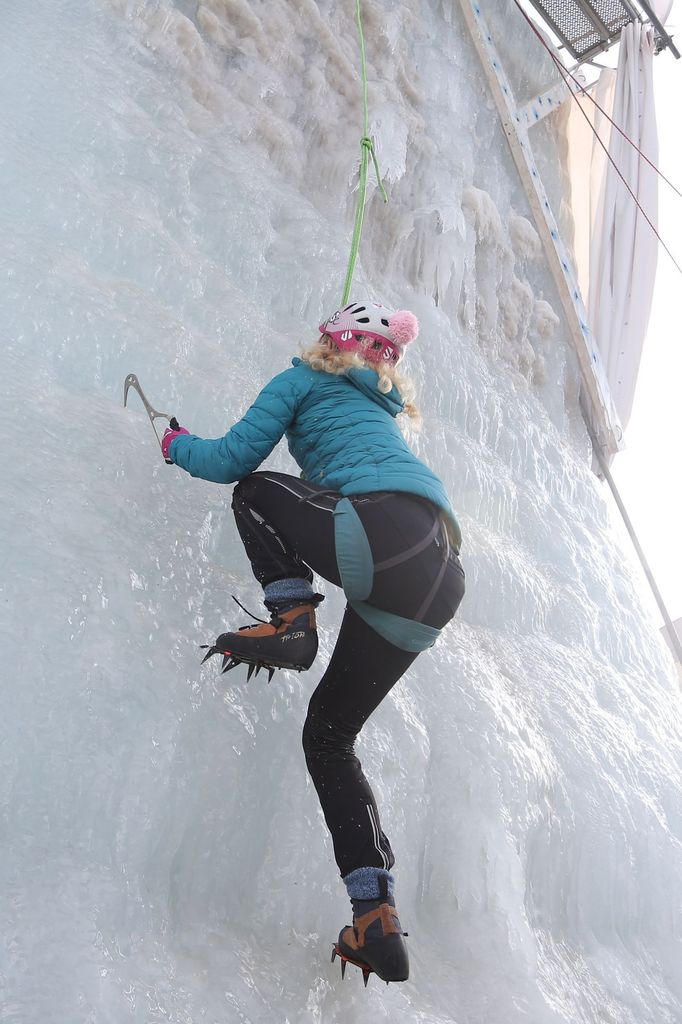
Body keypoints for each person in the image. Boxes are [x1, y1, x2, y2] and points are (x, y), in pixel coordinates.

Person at [162, 300, 465, 984]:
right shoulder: (382, 414)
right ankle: (375, 917)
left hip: (379, 538)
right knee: (329, 739)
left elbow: (230, 458)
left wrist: (174, 445)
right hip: (440, 574)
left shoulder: (300, 380)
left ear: (328, 343)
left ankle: (292, 619)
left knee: (256, 489)